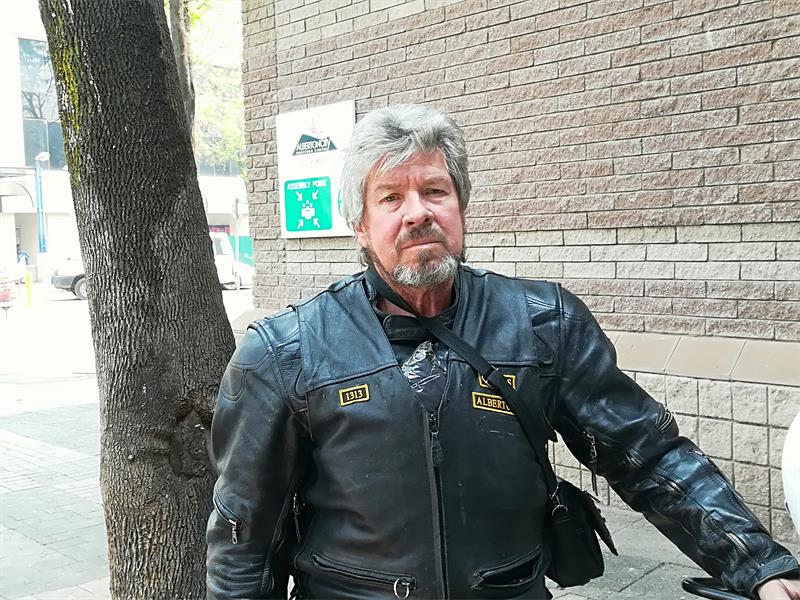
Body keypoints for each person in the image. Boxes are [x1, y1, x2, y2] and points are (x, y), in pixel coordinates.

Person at [206, 104, 800, 599]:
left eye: (434, 191)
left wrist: (760, 566)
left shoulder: (543, 324)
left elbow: (649, 455)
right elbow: (244, 532)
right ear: (360, 225)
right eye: (390, 198)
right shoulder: (286, 350)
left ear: (460, 208)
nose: (418, 213)